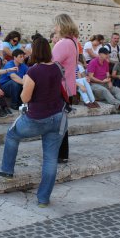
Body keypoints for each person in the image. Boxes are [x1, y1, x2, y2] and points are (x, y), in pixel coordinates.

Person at [0, 37, 66, 207]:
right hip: (58, 117)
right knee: (50, 159)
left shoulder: (33, 71)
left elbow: (24, 97)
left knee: (12, 135)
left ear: (35, 51)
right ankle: (43, 199)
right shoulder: (57, 68)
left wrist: (26, 82)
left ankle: (7, 169)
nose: (28, 52)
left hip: (37, 117)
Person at [51, 14, 79, 163]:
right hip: (69, 89)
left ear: (61, 25)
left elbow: (51, 65)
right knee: (62, 123)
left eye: (56, 25)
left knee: (57, 123)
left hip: (60, 89)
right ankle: (63, 154)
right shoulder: (74, 42)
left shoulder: (63, 44)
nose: (54, 28)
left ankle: (57, 154)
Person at [87, 48, 120, 112]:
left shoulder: (105, 62)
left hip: (104, 83)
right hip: (94, 84)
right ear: (100, 54)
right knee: (104, 90)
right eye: (105, 54)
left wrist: (109, 81)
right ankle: (119, 105)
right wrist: (101, 81)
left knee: (117, 89)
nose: (107, 55)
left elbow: (108, 74)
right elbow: (91, 77)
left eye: (108, 54)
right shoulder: (93, 62)